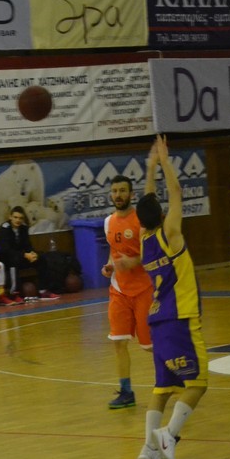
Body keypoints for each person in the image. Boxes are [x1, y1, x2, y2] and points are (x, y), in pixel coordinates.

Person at [134, 135, 208, 459]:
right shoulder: (170, 233)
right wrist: (164, 162)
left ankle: (148, 448)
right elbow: (176, 192)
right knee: (198, 383)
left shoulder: (145, 240)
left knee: (162, 389)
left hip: (157, 321)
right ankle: (167, 438)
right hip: (180, 318)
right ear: (162, 214)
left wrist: (149, 170)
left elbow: (148, 203)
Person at [102, 174, 154, 410]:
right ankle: (126, 391)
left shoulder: (141, 220)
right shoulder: (108, 222)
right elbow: (113, 250)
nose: (118, 195)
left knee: (150, 345)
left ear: (131, 194)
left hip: (144, 289)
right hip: (119, 290)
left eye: (122, 190)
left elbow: (153, 251)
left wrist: (134, 261)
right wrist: (109, 266)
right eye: (114, 191)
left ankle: (175, 375)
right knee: (119, 342)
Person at [0, 205, 60, 301]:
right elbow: (6, 250)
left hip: (21, 256)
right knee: (13, 261)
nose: (18, 220)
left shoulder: (24, 228)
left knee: (41, 258)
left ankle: (43, 290)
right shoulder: (4, 229)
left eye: (20, 218)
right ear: (10, 217)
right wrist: (25, 255)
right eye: (15, 217)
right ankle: (14, 293)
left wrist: (33, 254)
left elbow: (27, 246)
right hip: (7, 259)